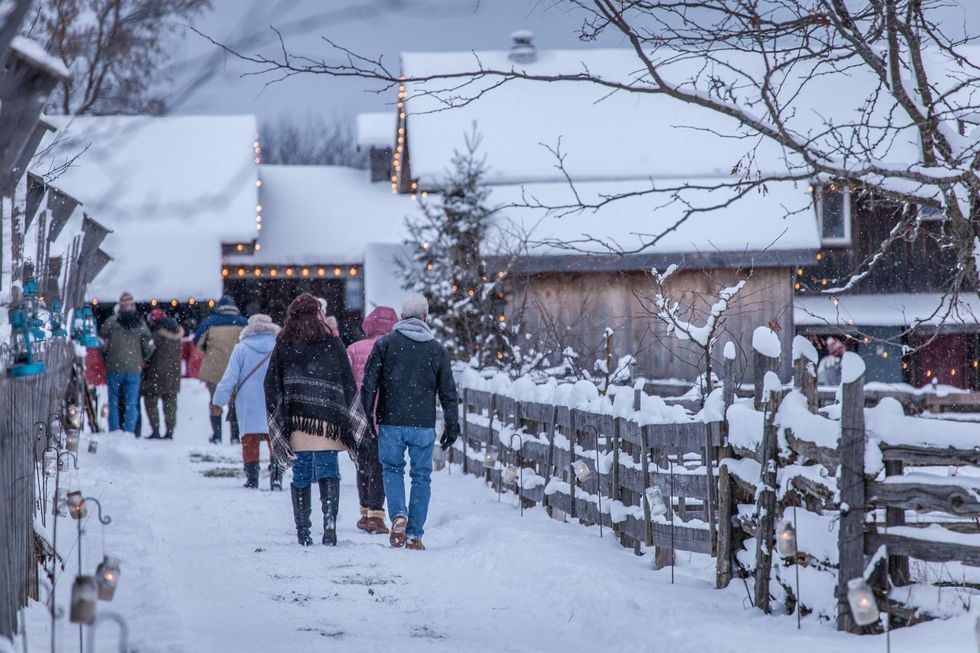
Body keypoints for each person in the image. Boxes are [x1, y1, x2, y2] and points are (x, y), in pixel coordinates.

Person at [265, 293, 372, 546]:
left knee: (301, 471)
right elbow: (347, 381)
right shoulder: (332, 343)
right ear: (318, 314)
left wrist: (279, 411)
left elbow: (270, 383)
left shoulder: (284, 344)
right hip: (328, 419)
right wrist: (348, 412)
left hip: (298, 419)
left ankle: (303, 531)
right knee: (328, 469)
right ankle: (330, 524)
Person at [360, 294, 460, 550]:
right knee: (421, 476)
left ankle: (398, 516)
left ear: (402, 317)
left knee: (392, 470)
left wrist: (367, 414)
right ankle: (414, 535)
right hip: (423, 424)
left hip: (390, 421)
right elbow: (448, 392)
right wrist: (452, 423)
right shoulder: (437, 350)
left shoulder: (385, 344)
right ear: (426, 318)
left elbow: (369, 383)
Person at [212, 314, 282, 490]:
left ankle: (252, 478)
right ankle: (276, 477)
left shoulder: (241, 348)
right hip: (274, 398)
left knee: (250, 439)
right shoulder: (279, 346)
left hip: (248, 400)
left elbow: (230, 378)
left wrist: (219, 401)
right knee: (275, 439)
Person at [345, 305, 398, 535]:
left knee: (362, 463)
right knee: (379, 465)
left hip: (359, 415)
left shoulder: (354, 349)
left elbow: (345, 383)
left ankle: (365, 512)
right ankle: (376, 515)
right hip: (385, 414)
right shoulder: (395, 348)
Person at [193, 295, 247, 444]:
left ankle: (217, 436)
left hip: (214, 369)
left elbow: (197, 342)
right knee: (235, 403)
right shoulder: (243, 322)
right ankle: (235, 436)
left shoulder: (209, 322)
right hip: (237, 369)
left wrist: (207, 351)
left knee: (215, 401)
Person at [99, 292, 154, 434]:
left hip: (114, 366)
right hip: (134, 368)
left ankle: (114, 430)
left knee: (113, 401)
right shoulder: (139, 323)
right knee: (131, 403)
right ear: (132, 305)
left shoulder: (111, 322)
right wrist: (142, 359)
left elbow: (101, 343)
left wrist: (107, 357)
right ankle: (129, 431)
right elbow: (149, 345)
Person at [142, 309, 184, 440]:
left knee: (151, 401)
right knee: (170, 403)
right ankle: (170, 431)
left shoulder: (155, 336)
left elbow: (148, 352)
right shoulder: (177, 336)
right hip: (173, 374)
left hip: (156, 373)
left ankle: (155, 430)